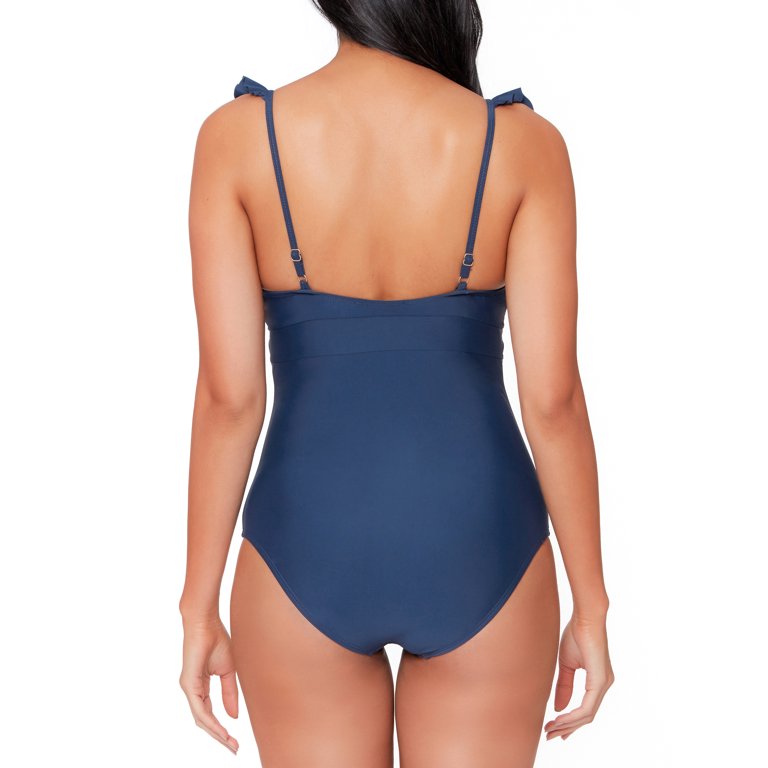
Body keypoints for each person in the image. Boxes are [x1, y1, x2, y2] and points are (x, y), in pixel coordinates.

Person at [178, 1, 614, 765]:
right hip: (484, 543)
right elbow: (553, 401)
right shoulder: (523, 145)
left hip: (302, 543)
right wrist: (592, 604)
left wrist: (197, 604)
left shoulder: (239, 139)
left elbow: (229, 398)